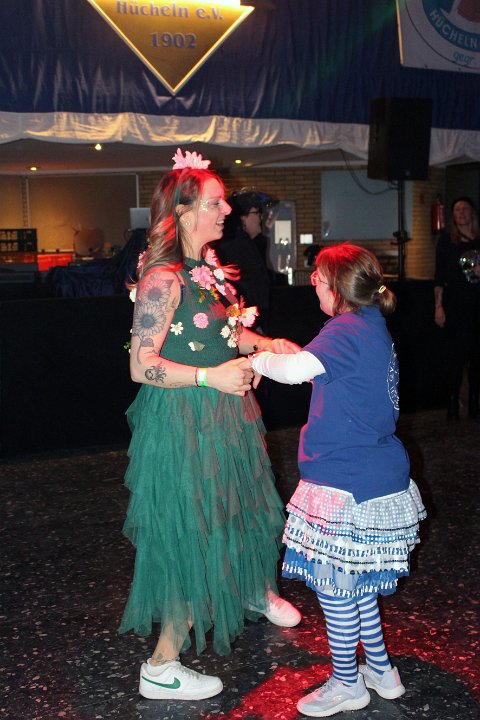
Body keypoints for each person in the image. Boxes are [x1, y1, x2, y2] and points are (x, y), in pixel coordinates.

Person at [119, 149, 301, 702]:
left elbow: (224, 332)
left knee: (239, 510)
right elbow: (141, 365)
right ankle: (162, 664)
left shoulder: (207, 269)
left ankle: (249, 589)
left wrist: (265, 343)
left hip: (223, 416)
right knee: (193, 532)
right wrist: (209, 377)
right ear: (183, 211)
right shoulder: (162, 278)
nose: (227, 210)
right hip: (184, 421)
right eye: (216, 203)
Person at [250, 243, 426, 718]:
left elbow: (294, 371)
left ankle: (347, 682)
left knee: (337, 589)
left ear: (338, 287)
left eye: (318, 278)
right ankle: (382, 671)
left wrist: (256, 359)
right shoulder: (369, 325)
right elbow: (330, 374)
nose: (314, 286)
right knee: (358, 582)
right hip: (374, 474)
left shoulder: (346, 329)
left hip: (346, 479)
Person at [433, 196, 480, 420]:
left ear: (472, 213)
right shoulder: (447, 242)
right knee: (455, 357)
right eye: (457, 210)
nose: (461, 213)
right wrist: (438, 306)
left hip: (477, 308)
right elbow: (439, 278)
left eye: (465, 209)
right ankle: (452, 404)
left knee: (477, 357)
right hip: (455, 307)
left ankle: (474, 402)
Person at [214, 188, 278, 330]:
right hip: (245, 319)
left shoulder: (247, 242)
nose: (261, 217)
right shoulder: (235, 245)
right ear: (243, 217)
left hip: (253, 317)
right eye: (257, 212)